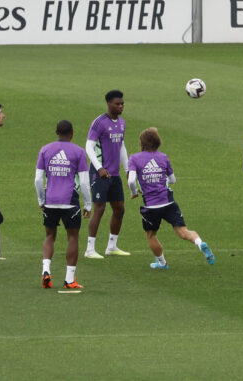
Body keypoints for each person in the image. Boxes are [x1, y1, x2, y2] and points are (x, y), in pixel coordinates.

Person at [127, 127, 215, 269]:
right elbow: (172, 179)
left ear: (142, 143)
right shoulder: (163, 157)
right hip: (168, 202)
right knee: (183, 232)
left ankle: (162, 263)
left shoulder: (135, 158)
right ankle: (200, 243)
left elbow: (131, 181)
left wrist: (135, 192)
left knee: (151, 235)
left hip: (151, 207)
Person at [34, 120, 92, 289]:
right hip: (70, 202)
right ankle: (69, 279)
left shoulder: (45, 150)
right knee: (72, 237)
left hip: (50, 200)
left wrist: (41, 199)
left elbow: (38, 179)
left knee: (49, 236)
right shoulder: (79, 152)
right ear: (72, 133)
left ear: (56, 132)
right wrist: (88, 204)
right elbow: (84, 181)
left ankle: (46, 270)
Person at [84, 90, 130, 259]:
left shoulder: (122, 123)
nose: (121, 106)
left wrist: (127, 169)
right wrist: (99, 167)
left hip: (115, 175)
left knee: (120, 209)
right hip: (100, 174)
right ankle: (90, 249)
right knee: (100, 209)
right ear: (109, 104)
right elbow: (89, 146)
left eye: (122, 104)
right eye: (117, 104)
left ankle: (112, 246)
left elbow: (122, 147)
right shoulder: (99, 122)